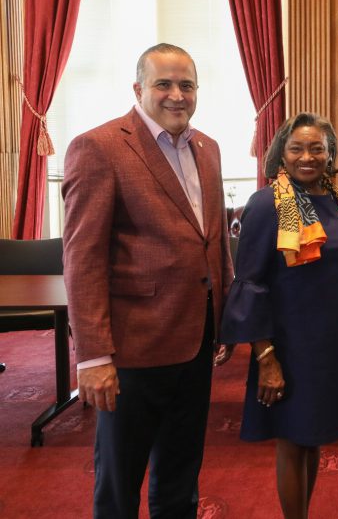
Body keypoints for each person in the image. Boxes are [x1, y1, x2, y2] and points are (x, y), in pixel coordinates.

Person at [62, 43, 233, 518]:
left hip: (196, 342)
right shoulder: (99, 147)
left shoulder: (209, 148)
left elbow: (214, 241)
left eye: (187, 85)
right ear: (139, 89)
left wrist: (224, 318)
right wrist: (93, 356)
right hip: (132, 349)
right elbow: (83, 259)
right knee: (120, 481)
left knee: (180, 473)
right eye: (164, 84)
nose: (177, 95)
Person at [219, 113, 338, 519]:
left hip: (328, 344)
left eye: (317, 148)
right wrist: (266, 358)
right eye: (297, 148)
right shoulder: (267, 204)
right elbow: (250, 284)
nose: (308, 157)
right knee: (291, 439)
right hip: (285, 346)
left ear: (331, 153)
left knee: (314, 437)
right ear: (280, 154)